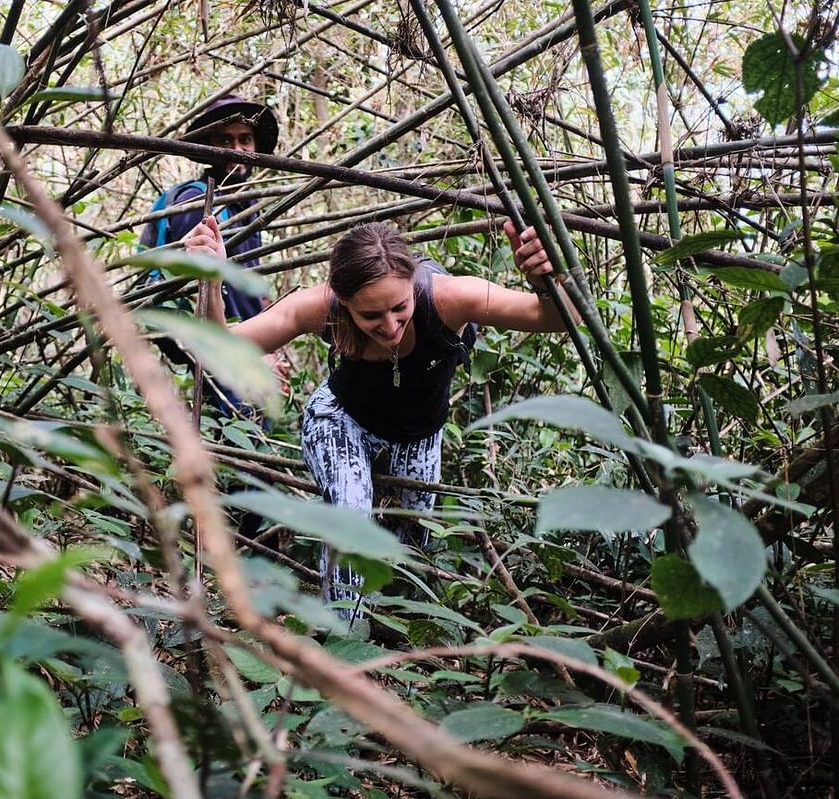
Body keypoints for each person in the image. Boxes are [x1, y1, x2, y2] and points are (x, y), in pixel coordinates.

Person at [183, 216, 578, 614]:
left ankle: (393, 642)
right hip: (342, 418)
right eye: (371, 316)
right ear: (343, 300)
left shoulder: (451, 298)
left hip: (418, 431)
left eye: (399, 308)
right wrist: (211, 281)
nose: (389, 326)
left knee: (411, 544)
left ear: (412, 285)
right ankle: (343, 645)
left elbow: (560, 318)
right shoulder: (322, 307)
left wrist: (544, 279)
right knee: (350, 518)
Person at [141, 95, 283, 417]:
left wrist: (272, 345)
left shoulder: (245, 205)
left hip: (248, 343)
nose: (237, 149)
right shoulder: (196, 202)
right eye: (225, 140)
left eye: (245, 139)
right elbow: (211, 287)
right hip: (221, 345)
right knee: (235, 431)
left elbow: (252, 281)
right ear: (207, 145)